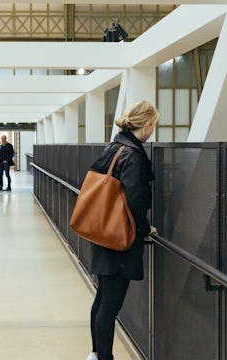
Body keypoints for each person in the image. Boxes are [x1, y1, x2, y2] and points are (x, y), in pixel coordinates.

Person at [86, 101, 159, 360]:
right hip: (120, 239)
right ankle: (104, 357)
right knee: (110, 306)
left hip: (103, 231)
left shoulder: (115, 147)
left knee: (102, 298)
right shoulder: (133, 155)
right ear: (147, 125)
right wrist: (144, 228)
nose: (153, 131)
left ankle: (96, 354)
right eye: (154, 125)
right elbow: (136, 199)